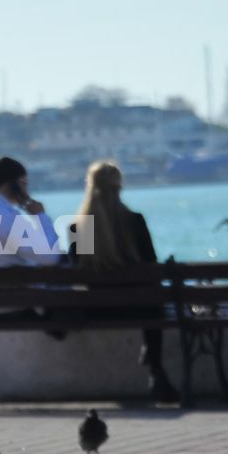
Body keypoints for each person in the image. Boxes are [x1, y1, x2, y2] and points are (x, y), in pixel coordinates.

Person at [68, 160, 178, 403]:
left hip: (97, 311)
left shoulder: (81, 227)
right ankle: (155, 367)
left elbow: (77, 267)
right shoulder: (135, 221)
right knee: (154, 302)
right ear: (119, 186)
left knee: (151, 301)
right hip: (140, 309)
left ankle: (153, 361)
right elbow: (151, 265)